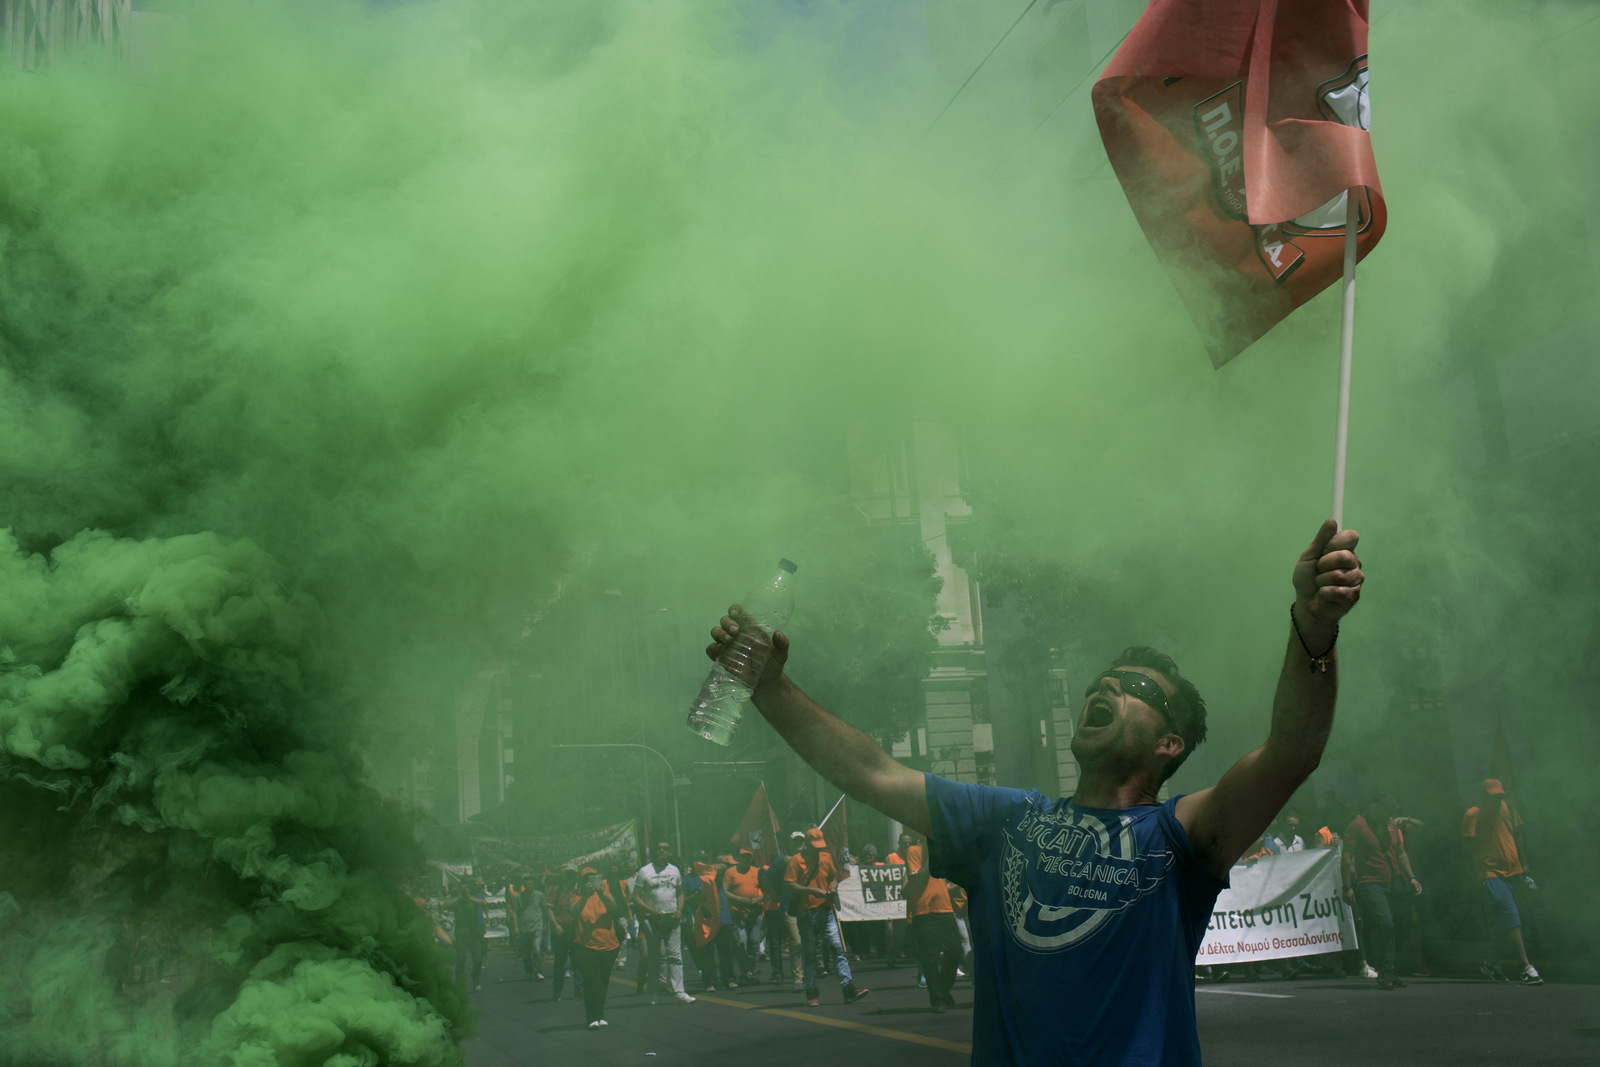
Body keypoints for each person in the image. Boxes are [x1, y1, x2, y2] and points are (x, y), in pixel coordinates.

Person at [707, 519, 1364, 1065]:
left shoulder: (1177, 839)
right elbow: (873, 771)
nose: (1104, 689)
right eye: (1100, 682)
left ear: (1170, 745)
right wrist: (768, 687)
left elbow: (1291, 753)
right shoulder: (1007, 821)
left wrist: (1314, 626)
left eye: (1135, 690)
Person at [1463, 778, 1542, 985]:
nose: (1498, 799)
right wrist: (1473, 876)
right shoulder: (1472, 814)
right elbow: (1466, 848)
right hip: (1491, 874)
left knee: (1504, 924)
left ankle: (1489, 964)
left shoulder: (1507, 807)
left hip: (1514, 872)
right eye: (1493, 796)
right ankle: (1526, 968)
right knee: (1512, 919)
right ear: (1483, 796)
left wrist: (1524, 864)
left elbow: (1518, 834)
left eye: (1500, 795)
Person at [1341, 793, 1421, 991]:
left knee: (1396, 925)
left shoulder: (1390, 824)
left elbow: (1400, 852)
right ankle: (1385, 971)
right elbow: (1346, 856)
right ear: (1374, 806)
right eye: (1385, 809)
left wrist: (1410, 877)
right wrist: (1347, 886)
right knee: (1385, 923)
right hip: (1370, 883)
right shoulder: (1357, 825)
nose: (1388, 814)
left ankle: (1389, 970)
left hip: (1392, 881)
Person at [785, 827, 869, 1006]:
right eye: (814, 846)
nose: (817, 849)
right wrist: (810, 890)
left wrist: (832, 887)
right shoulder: (796, 860)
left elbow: (834, 877)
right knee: (809, 954)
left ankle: (848, 989)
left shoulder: (825, 857)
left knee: (838, 949)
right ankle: (811, 991)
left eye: (819, 846)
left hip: (826, 910)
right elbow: (790, 885)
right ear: (806, 844)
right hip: (806, 913)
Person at [631, 841, 696, 1004]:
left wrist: (680, 909)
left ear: (669, 853)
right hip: (652, 919)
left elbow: (680, 893)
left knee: (675, 955)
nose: (661, 851)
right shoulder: (644, 871)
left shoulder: (674, 870)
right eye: (658, 848)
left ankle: (679, 991)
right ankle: (654, 993)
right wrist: (651, 911)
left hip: (671, 917)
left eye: (665, 849)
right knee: (654, 957)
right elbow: (635, 896)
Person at [905, 834, 962, 1013]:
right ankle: (937, 998)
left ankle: (942, 991)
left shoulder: (942, 852)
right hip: (924, 911)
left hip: (944, 908)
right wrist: (932, 857)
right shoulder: (913, 851)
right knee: (930, 957)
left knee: (955, 951)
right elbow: (918, 878)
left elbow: (944, 881)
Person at [570, 867, 621, 1029]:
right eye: (586, 880)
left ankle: (601, 1014)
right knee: (591, 981)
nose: (590, 883)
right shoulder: (577, 896)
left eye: (593, 879)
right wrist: (584, 897)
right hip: (586, 946)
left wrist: (602, 893)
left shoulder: (604, 893)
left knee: (603, 981)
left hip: (608, 944)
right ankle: (592, 1017)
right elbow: (574, 912)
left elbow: (614, 908)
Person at [760, 832, 806, 990]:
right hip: (788, 907)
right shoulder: (782, 860)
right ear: (790, 843)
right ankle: (798, 979)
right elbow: (767, 877)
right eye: (796, 841)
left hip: (807, 906)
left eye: (801, 841)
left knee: (808, 942)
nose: (799, 844)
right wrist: (774, 895)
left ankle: (808, 974)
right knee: (796, 942)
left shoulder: (809, 859)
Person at [722, 850, 765, 983]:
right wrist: (739, 899)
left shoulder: (757, 871)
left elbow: (767, 890)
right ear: (739, 857)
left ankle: (752, 968)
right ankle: (745, 971)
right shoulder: (731, 872)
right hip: (738, 913)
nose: (746, 860)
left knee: (754, 942)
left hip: (755, 913)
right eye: (744, 857)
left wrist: (759, 899)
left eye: (749, 857)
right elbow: (725, 891)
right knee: (741, 942)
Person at [446, 877, 490, 992]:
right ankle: (459, 981)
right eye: (462, 888)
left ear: (469, 889)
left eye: (466, 888)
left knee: (478, 959)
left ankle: (476, 979)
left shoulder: (474, 899)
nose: (464, 890)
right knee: (461, 960)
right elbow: (445, 905)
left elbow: (484, 902)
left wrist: (469, 897)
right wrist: (458, 897)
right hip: (461, 935)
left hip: (474, 934)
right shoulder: (456, 901)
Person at [546, 867, 583, 1002]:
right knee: (560, 962)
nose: (570, 878)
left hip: (575, 930)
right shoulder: (557, 890)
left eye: (573, 875)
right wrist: (556, 926)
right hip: (560, 930)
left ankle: (579, 989)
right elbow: (549, 909)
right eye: (568, 875)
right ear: (564, 876)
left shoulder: (580, 890)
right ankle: (557, 992)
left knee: (577, 961)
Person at [511, 877, 547, 981]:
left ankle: (538, 971)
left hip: (537, 926)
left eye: (531, 884)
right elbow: (514, 912)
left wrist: (545, 924)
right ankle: (528, 971)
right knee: (526, 953)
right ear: (524, 886)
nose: (529, 886)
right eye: (527, 884)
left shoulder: (540, 895)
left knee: (536, 949)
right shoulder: (518, 897)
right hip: (524, 928)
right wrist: (516, 927)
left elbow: (544, 909)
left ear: (533, 885)